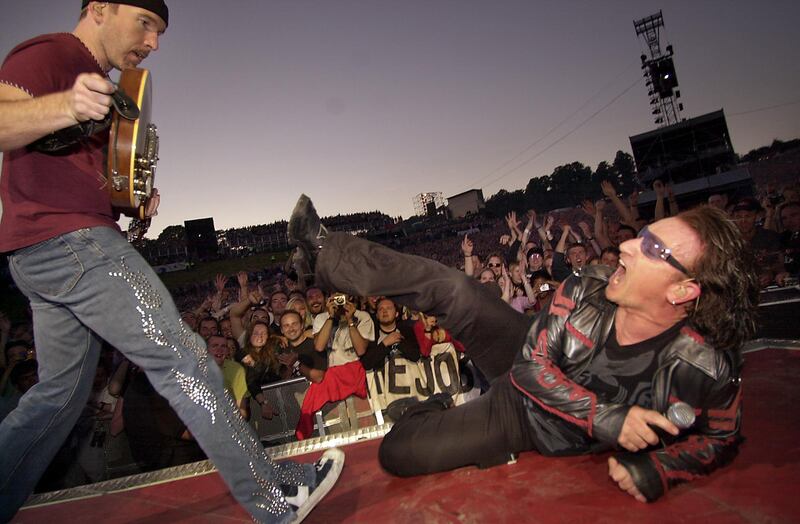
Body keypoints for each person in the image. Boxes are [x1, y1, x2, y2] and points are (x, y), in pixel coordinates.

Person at [0, 3, 343, 521]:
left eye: (159, 33)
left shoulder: (100, 85)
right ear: (99, 8)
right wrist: (66, 105)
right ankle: (274, 499)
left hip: (45, 249)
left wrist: (128, 200)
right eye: (145, 24)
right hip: (72, 242)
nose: (153, 43)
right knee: (183, 357)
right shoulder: (52, 55)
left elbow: (69, 170)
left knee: (59, 397)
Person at [288, 194, 758, 503]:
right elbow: (531, 369)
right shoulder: (590, 284)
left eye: (654, 248)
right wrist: (607, 416)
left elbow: (722, 438)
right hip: (527, 369)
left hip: (532, 424)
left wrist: (660, 469)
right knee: (457, 291)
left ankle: (425, 411)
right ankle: (326, 251)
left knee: (399, 451)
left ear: (683, 292)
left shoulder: (705, 366)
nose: (630, 244)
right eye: (644, 233)